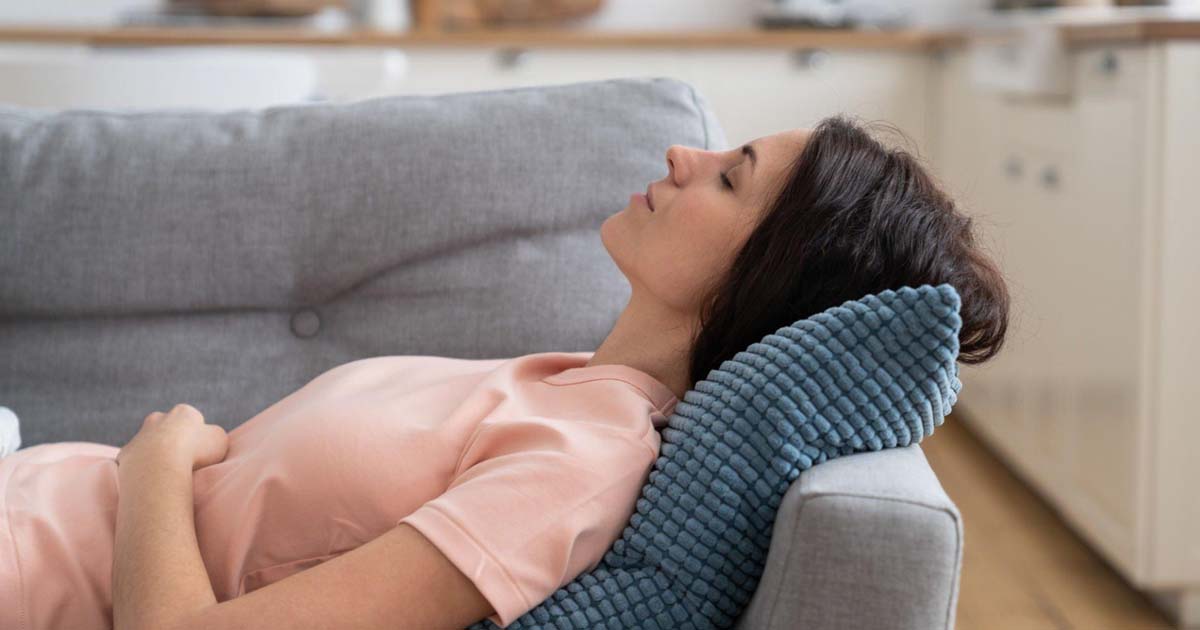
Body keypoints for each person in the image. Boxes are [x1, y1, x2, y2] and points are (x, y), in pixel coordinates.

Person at [0, 114, 1008, 630]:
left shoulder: (578, 468)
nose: (681, 152)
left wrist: (155, 464)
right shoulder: (559, 386)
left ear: (767, 272)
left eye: (730, 175)